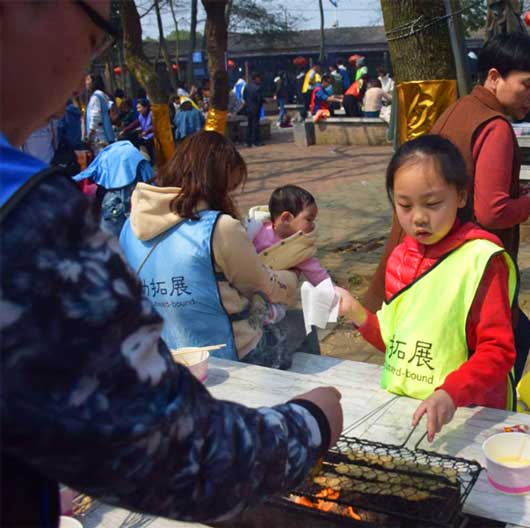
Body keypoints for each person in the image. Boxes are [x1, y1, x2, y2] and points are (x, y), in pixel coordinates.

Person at [0, 2, 342, 526]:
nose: (84, 73)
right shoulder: (27, 210)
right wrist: (313, 422)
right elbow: (172, 450)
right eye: (95, 38)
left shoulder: (135, 217)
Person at [365, 32, 530, 385]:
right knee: (504, 341)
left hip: (425, 256)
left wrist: (518, 190)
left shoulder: (460, 107)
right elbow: (491, 212)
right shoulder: (496, 128)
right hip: (458, 264)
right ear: (494, 77)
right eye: (527, 84)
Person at [337, 135, 517, 442]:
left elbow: (497, 350)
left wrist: (451, 393)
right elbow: (399, 345)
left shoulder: (481, 259)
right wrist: (356, 312)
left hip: (470, 413)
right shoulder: (399, 258)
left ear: (461, 195)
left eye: (432, 203)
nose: (418, 217)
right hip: (407, 410)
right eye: (404, 205)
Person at [120, 131, 320, 367]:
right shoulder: (218, 228)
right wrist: (292, 275)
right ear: (215, 184)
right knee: (305, 323)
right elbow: (263, 288)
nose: (229, 196)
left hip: (161, 351)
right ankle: (293, 398)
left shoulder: (129, 226)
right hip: (230, 353)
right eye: (229, 188)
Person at [251, 185, 330, 346]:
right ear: (286, 218)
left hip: (272, 296)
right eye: (309, 219)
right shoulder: (256, 231)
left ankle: (266, 318)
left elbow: (317, 273)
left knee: (277, 309)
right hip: (248, 287)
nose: (312, 225)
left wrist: (331, 292)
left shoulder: (300, 247)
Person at [73, 140, 156, 237]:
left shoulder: (106, 155)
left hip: (113, 207)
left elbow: (87, 174)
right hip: (138, 209)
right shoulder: (135, 156)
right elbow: (151, 182)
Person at [84, 73, 114, 152]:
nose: (86, 82)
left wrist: (90, 132)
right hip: (105, 131)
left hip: (98, 134)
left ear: (94, 82)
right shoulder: (103, 94)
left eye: (88, 80)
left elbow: (95, 115)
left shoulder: (96, 96)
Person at [244, 73, 264, 147]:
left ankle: (247, 141)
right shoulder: (257, 88)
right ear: (256, 78)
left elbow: (244, 96)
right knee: (255, 125)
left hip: (248, 108)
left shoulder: (247, 86)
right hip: (255, 108)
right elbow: (259, 99)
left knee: (249, 124)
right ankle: (255, 141)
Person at [135, 98, 155, 162]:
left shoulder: (151, 114)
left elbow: (154, 126)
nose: (138, 110)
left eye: (139, 108)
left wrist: (146, 132)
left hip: (153, 134)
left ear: (145, 107)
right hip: (145, 135)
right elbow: (138, 123)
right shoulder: (140, 116)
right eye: (137, 108)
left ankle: (153, 160)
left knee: (149, 142)